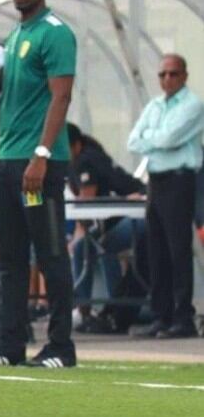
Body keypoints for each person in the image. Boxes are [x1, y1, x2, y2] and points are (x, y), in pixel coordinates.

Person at [0, 0, 78, 369]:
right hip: (10, 161)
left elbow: (61, 96)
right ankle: (9, 345)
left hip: (39, 165)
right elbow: (11, 104)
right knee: (11, 259)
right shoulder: (14, 37)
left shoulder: (55, 33)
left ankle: (61, 347)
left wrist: (42, 155)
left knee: (50, 254)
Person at [127, 53, 203, 339]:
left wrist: (153, 140)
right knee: (156, 250)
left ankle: (183, 317)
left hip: (179, 180)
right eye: (162, 74)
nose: (167, 79)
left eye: (172, 74)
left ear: (184, 76)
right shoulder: (155, 105)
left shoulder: (193, 105)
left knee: (177, 249)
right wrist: (156, 141)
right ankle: (161, 315)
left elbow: (169, 138)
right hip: (156, 182)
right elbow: (134, 139)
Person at [66, 123, 146, 334]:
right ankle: (108, 307)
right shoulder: (83, 158)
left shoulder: (85, 160)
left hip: (137, 214)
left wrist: (75, 237)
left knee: (94, 246)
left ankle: (95, 308)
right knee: (93, 245)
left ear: (75, 145)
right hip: (122, 216)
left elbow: (86, 203)